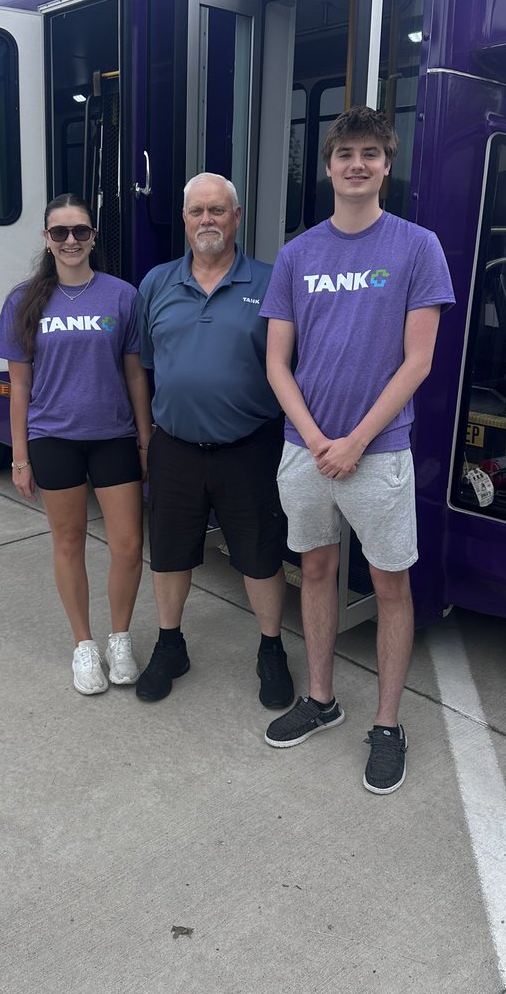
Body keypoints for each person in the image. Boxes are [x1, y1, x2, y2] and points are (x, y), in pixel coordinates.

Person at [260, 107, 454, 794]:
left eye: (370, 153)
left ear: (387, 164)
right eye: (345, 153)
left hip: (378, 454)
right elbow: (277, 362)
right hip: (306, 451)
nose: (357, 165)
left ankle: (387, 723)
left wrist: (356, 441)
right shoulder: (297, 253)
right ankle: (320, 699)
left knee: (389, 586)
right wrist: (318, 440)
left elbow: (418, 362)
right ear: (328, 166)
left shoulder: (416, 248)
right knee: (314, 573)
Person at [135, 173, 293, 708]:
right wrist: (145, 437)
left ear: (237, 217)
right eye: (198, 211)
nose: (208, 220)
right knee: (170, 555)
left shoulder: (272, 283)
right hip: (175, 446)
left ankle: (270, 649)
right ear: (184, 220)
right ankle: (169, 643)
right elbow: (149, 365)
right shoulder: (156, 284)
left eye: (218, 211)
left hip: (249, 448)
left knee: (260, 556)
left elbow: (290, 365)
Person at [0, 193, 152, 696]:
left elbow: (135, 374)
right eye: (59, 232)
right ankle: (83, 645)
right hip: (53, 438)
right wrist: (20, 456)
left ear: (93, 237)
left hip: (115, 438)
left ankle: (119, 638)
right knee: (69, 542)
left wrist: (146, 440)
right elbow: (19, 385)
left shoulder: (122, 296)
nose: (70, 241)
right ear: (46, 239)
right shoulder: (23, 300)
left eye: (80, 231)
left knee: (128, 545)